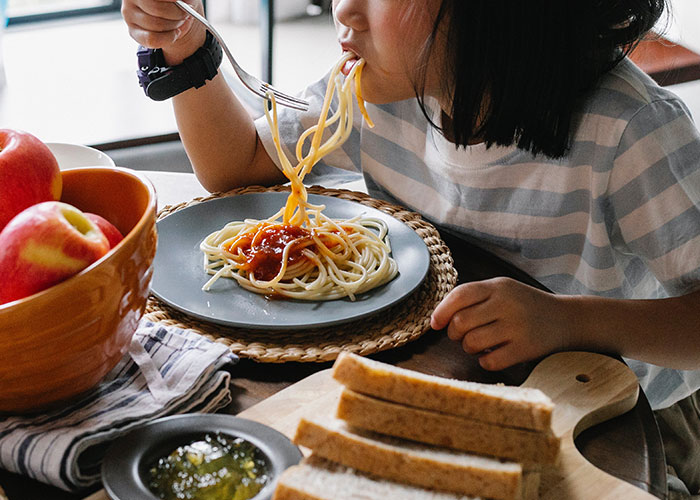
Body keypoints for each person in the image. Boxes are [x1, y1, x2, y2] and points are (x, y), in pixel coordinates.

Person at [122, 0, 700, 495]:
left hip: (620, 410)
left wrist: (567, 321)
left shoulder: (632, 131)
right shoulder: (380, 86)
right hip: (447, 375)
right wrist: (186, 53)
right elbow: (239, 164)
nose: (343, 10)